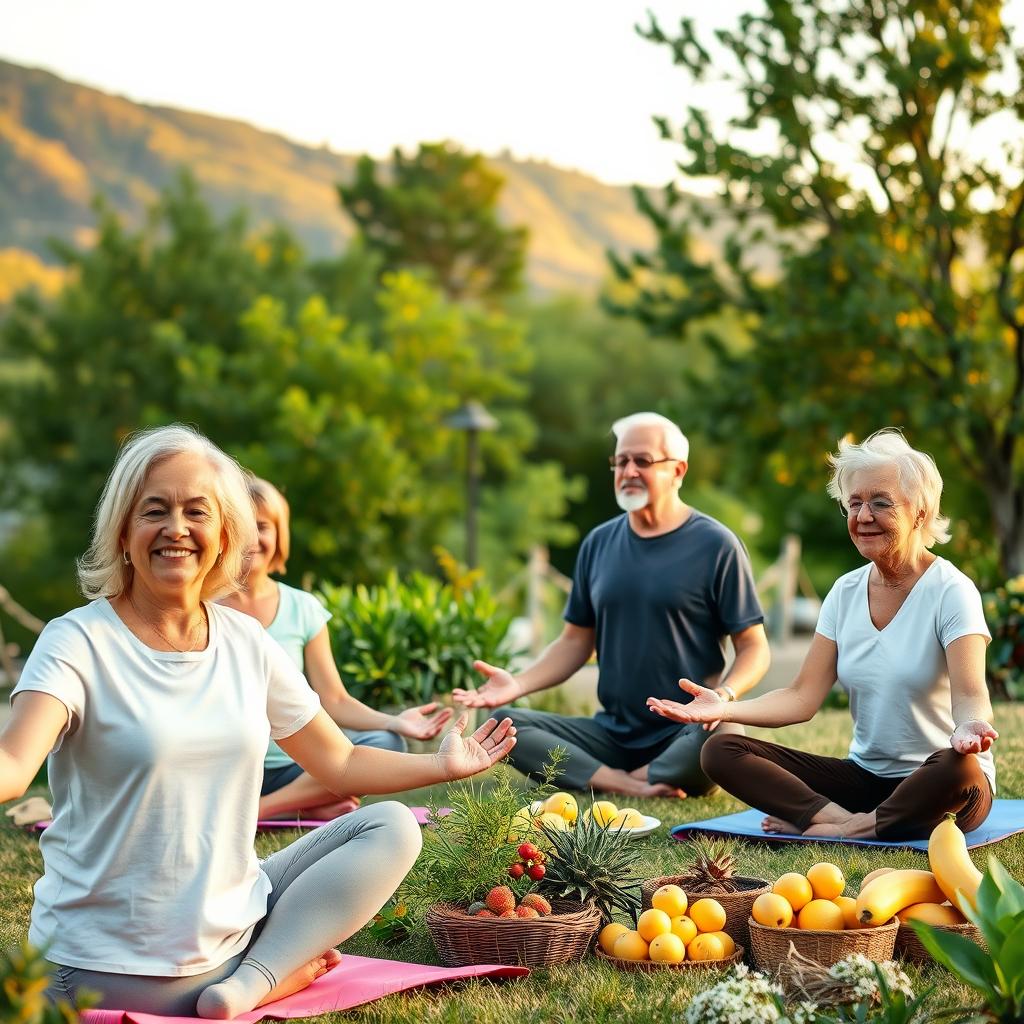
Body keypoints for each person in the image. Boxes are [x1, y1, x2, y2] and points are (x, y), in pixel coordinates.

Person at [0, 425, 515, 1019]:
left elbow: (340, 761)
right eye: (154, 510)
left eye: (198, 511)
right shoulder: (77, 641)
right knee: (301, 893)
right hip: (97, 970)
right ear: (122, 530)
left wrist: (440, 765)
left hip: (219, 938)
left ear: (225, 537)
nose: (176, 528)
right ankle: (268, 978)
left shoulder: (247, 642)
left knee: (392, 828)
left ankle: (249, 983)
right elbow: (15, 765)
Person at [648, 428, 997, 841]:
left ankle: (848, 825)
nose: (863, 516)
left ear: (920, 513)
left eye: (880, 503)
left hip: (938, 782)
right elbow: (801, 698)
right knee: (720, 751)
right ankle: (835, 819)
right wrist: (722, 709)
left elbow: (971, 696)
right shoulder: (845, 592)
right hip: (865, 781)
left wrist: (969, 727)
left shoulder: (951, 591)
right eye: (854, 503)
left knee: (960, 769)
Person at [453, 412, 769, 799]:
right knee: (503, 721)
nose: (628, 470)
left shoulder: (716, 544)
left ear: (678, 470)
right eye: (621, 461)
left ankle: (636, 773)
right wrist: (517, 683)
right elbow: (574, 643)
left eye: (642, 460)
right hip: (611, 735)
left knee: (726, 731)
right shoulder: (598, 543)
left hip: (688, 727)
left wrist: (723, 697)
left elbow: (754, 646)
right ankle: (629, 783)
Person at [220, 477, 452, 820]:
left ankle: (265, 810)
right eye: (241, 525)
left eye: (263, 526)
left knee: (385, 743)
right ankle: (305, 805)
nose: (252, 538)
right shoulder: (201, 607)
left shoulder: (303, 608)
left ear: (280, 536)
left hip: (297, 768)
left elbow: (334, 700)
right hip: (228, 768)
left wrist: (394, 722)